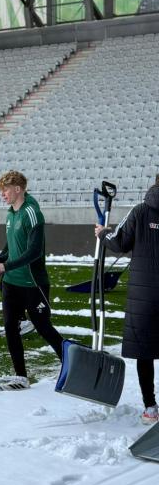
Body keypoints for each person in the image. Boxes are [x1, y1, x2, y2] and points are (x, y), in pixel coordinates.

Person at [0, 170, 63, 390]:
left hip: (33, 283)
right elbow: (11, 246)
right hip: (12, 282)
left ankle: (70, 363)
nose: (3, 195)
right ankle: (21, 377)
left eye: (5, 190)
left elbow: (34, 251)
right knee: (10, 327)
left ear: (18, 189)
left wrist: (6, 265)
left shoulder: (32, 212)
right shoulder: (11, 213)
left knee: (43, 327)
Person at [95, 181, 159, 423]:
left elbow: (119, 241)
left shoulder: (141, 210)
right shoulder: (141, 211)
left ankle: (150, 408)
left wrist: (102, 232)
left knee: (146, 351)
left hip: (145, 296)